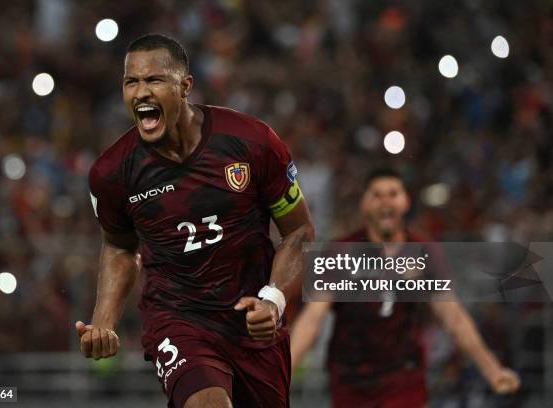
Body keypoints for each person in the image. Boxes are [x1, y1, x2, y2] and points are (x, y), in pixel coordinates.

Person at [76, 33, 314, 408]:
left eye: (153, 80)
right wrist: (103, 321)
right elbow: (120, 246)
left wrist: (273, 300)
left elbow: (298, 231)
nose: (140, 93)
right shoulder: (112, 173)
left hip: (253, 322)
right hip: (178, 318)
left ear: (185, 86)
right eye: (131, 82)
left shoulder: (252, 142)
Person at [291, 168, 520, 407]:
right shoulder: (339, 252)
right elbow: (312, 320)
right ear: (364, 204)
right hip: (350, 382)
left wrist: (492, 369)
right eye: (377, 195)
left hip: (404, 381)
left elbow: (453, 316)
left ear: (405, 201)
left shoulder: (424, 251)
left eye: (393, 193)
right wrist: (281, 376)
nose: (386, 202)